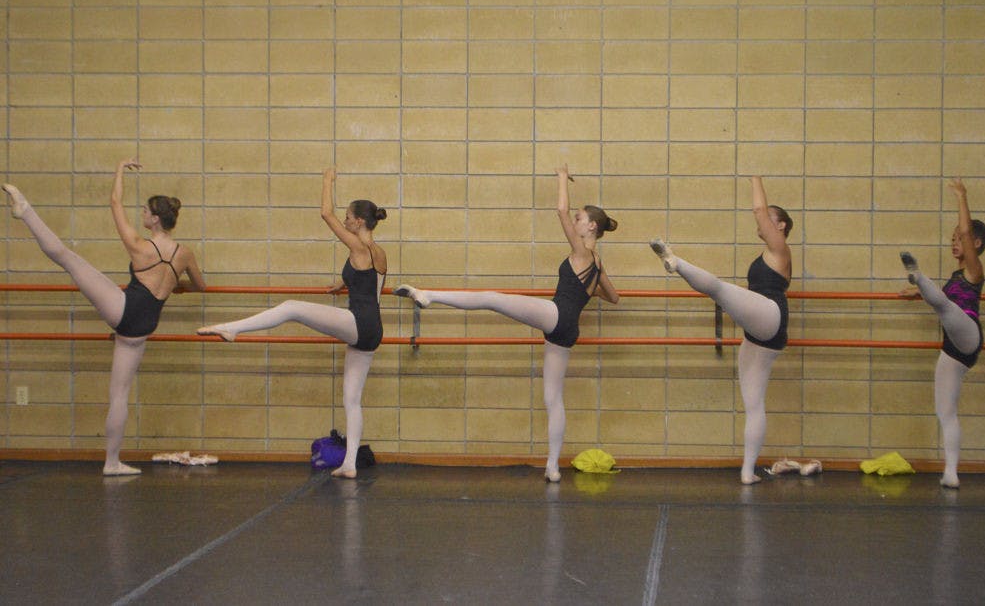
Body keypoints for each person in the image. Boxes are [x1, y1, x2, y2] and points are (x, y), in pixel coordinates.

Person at [394, 165, 619, 482]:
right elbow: (614, 297)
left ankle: (429, 296)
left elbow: (560, 209)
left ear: (591, 227)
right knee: (553, 399)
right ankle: (552, 467)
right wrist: (588, 290)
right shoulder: (597, 264)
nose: (576, 222)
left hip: (557, 315)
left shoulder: (581, 250)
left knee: (492, 298)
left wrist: (560, 177)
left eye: (580, 220)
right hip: (568, 329)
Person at [3, 159, 206, 476]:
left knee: (68, 259)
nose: (141, 214)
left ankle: (25, 211)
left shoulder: (140, 246)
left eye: (145, 211)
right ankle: (112, 463)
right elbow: (200, 286)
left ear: (154, 219)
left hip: (124, 310)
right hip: (141, 328)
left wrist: (120, 169)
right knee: (120, 395)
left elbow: (114, 202)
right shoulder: (185, 253)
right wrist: (176, 286)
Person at [198, 168, 386, 479]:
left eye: (349, 217)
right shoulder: (377, 252)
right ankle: (350, 464)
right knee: (351, 399)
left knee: (292, 307)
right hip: (371, 329)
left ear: (359, 222)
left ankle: (234, 328)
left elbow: (326, 213)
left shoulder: (357, 247)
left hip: (359, 322)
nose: (346, 220)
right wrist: (343, 285)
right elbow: (371, 284)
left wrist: (327, 180)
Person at [649, 176, 792, 485]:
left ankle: (677, 262)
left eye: (771, 218)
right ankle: (747, 472)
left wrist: (754, 175)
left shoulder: (780, 247)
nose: (765, 220)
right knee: (753, 404)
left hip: (771, 314)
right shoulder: (768, 253)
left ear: (780, 227)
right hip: (760, 332)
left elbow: (758, 208)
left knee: (719, 289)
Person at [899, 178, 985, 489]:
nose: (955, 242)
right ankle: (951, 471)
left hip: (968, 333)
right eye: (952, 239)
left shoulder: (974, 272)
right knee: (945, 411)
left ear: (975, 244)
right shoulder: (954, 277)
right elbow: (945, 301)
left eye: (959, 239)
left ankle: (919, 277)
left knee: (948, 309)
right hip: (953, 348)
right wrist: (920, 295)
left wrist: (963, 195)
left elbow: (966, 229)